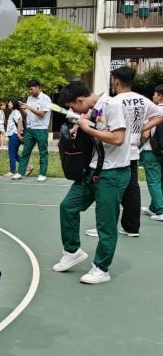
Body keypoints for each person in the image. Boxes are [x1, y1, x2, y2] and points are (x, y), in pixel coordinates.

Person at [52, 81, 131, 285]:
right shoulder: (94, 110)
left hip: (112, 173)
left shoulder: (112, 106)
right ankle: (72, 251)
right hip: (92, 170)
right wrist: (80, 129)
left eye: (72, 106)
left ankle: (101, 268)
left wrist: (89, 129)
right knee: (68, 207)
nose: (72, 110)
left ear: (80, 100)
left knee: (105, 224)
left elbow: (118, 138)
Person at [84, 66, 163, 239]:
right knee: (131, 190)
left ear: (116, 81)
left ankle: (105, 227)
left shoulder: (114, 101)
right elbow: (159, 115)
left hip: (115, 152)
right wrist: (142, 127)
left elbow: (99, 121)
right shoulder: (142, 100)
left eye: (112, 80)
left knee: (109, 191)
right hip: (133, 151)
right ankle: (131, 227)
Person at [12, 79, 52, 182]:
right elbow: (27, 114)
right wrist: (22, 108)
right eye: (28, 90)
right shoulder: (29, 98)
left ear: (38, 87)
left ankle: (42, 174)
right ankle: (20, 172)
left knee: (43, 152)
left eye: (31, 89)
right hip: (30, 129)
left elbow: (42, 114)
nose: (30, 91)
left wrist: (28, 107)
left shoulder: (46, 99)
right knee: (25, 151)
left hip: (41, 129)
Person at [140, 85, 163, 222]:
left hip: (152, 150)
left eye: (154, 94)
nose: (153, 96)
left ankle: (160, 210)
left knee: (154, 180)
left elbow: (146, 134)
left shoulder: (153, 111)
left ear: (160, 96)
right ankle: (154, 207)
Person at [5, 99, 24, 177]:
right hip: (13, 135)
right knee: (15, 154)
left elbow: (19, 123)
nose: (8, 104)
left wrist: (19, 134)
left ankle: (12, 171)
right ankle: (27, 166)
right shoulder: (13, 112)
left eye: (10, 102)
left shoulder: (16, 112)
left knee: (11, 154)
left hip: (14, 135)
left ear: (14, 104)